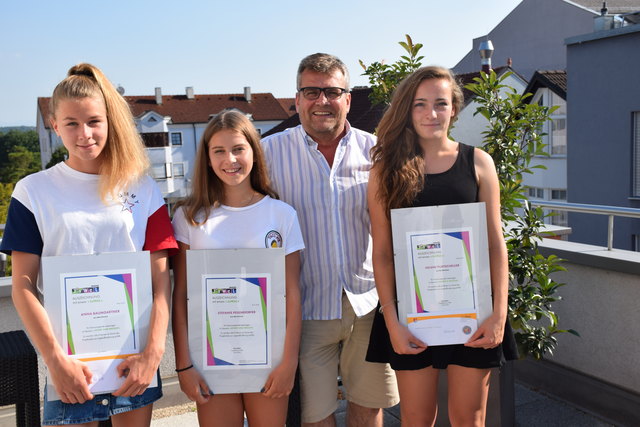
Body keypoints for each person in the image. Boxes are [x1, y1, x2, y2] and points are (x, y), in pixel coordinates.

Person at [0, 63, 177, 426]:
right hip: (71, 366)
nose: (85, 134)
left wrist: (153, 353)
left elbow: (160, 282)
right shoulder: (33, 192)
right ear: (54, 125)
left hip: (135, 360)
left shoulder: (143, 189)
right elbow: (23, 286)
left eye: (94, 121)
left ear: (110, 121)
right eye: (71, 124)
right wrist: (55, 361)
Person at [365, 66, 518, 426]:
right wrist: (393, 323)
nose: (431, 113)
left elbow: (496, 245)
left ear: (454, 109)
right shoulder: (385, 170)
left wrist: (498, 314)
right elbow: (383, 254)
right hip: (412, 318)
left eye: (440, 103)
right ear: (407, 109)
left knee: (470, 418)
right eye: (420, 104)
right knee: (416, 419)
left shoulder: (479, 162)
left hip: (473, 313)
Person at [262, 53, 399, 426]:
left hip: (367, 306)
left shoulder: (376, 152)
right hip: (304, 311)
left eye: (332, 92)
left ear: (348, 99)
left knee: (369, 408)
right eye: (311, 92)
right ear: (297, 99)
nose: (322, 101)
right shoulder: (267, 154)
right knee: (315, 417)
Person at [171, 110, 304, 426]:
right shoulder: (189, 218)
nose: (230, 159)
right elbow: (181, 298)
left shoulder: (281, 215)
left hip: (270, 361)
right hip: (211, 361)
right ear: (207, 158)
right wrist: (184, 366)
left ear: (254, 153)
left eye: (238, 149)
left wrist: (289, 363)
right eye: (219, 151)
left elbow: (293, 294)